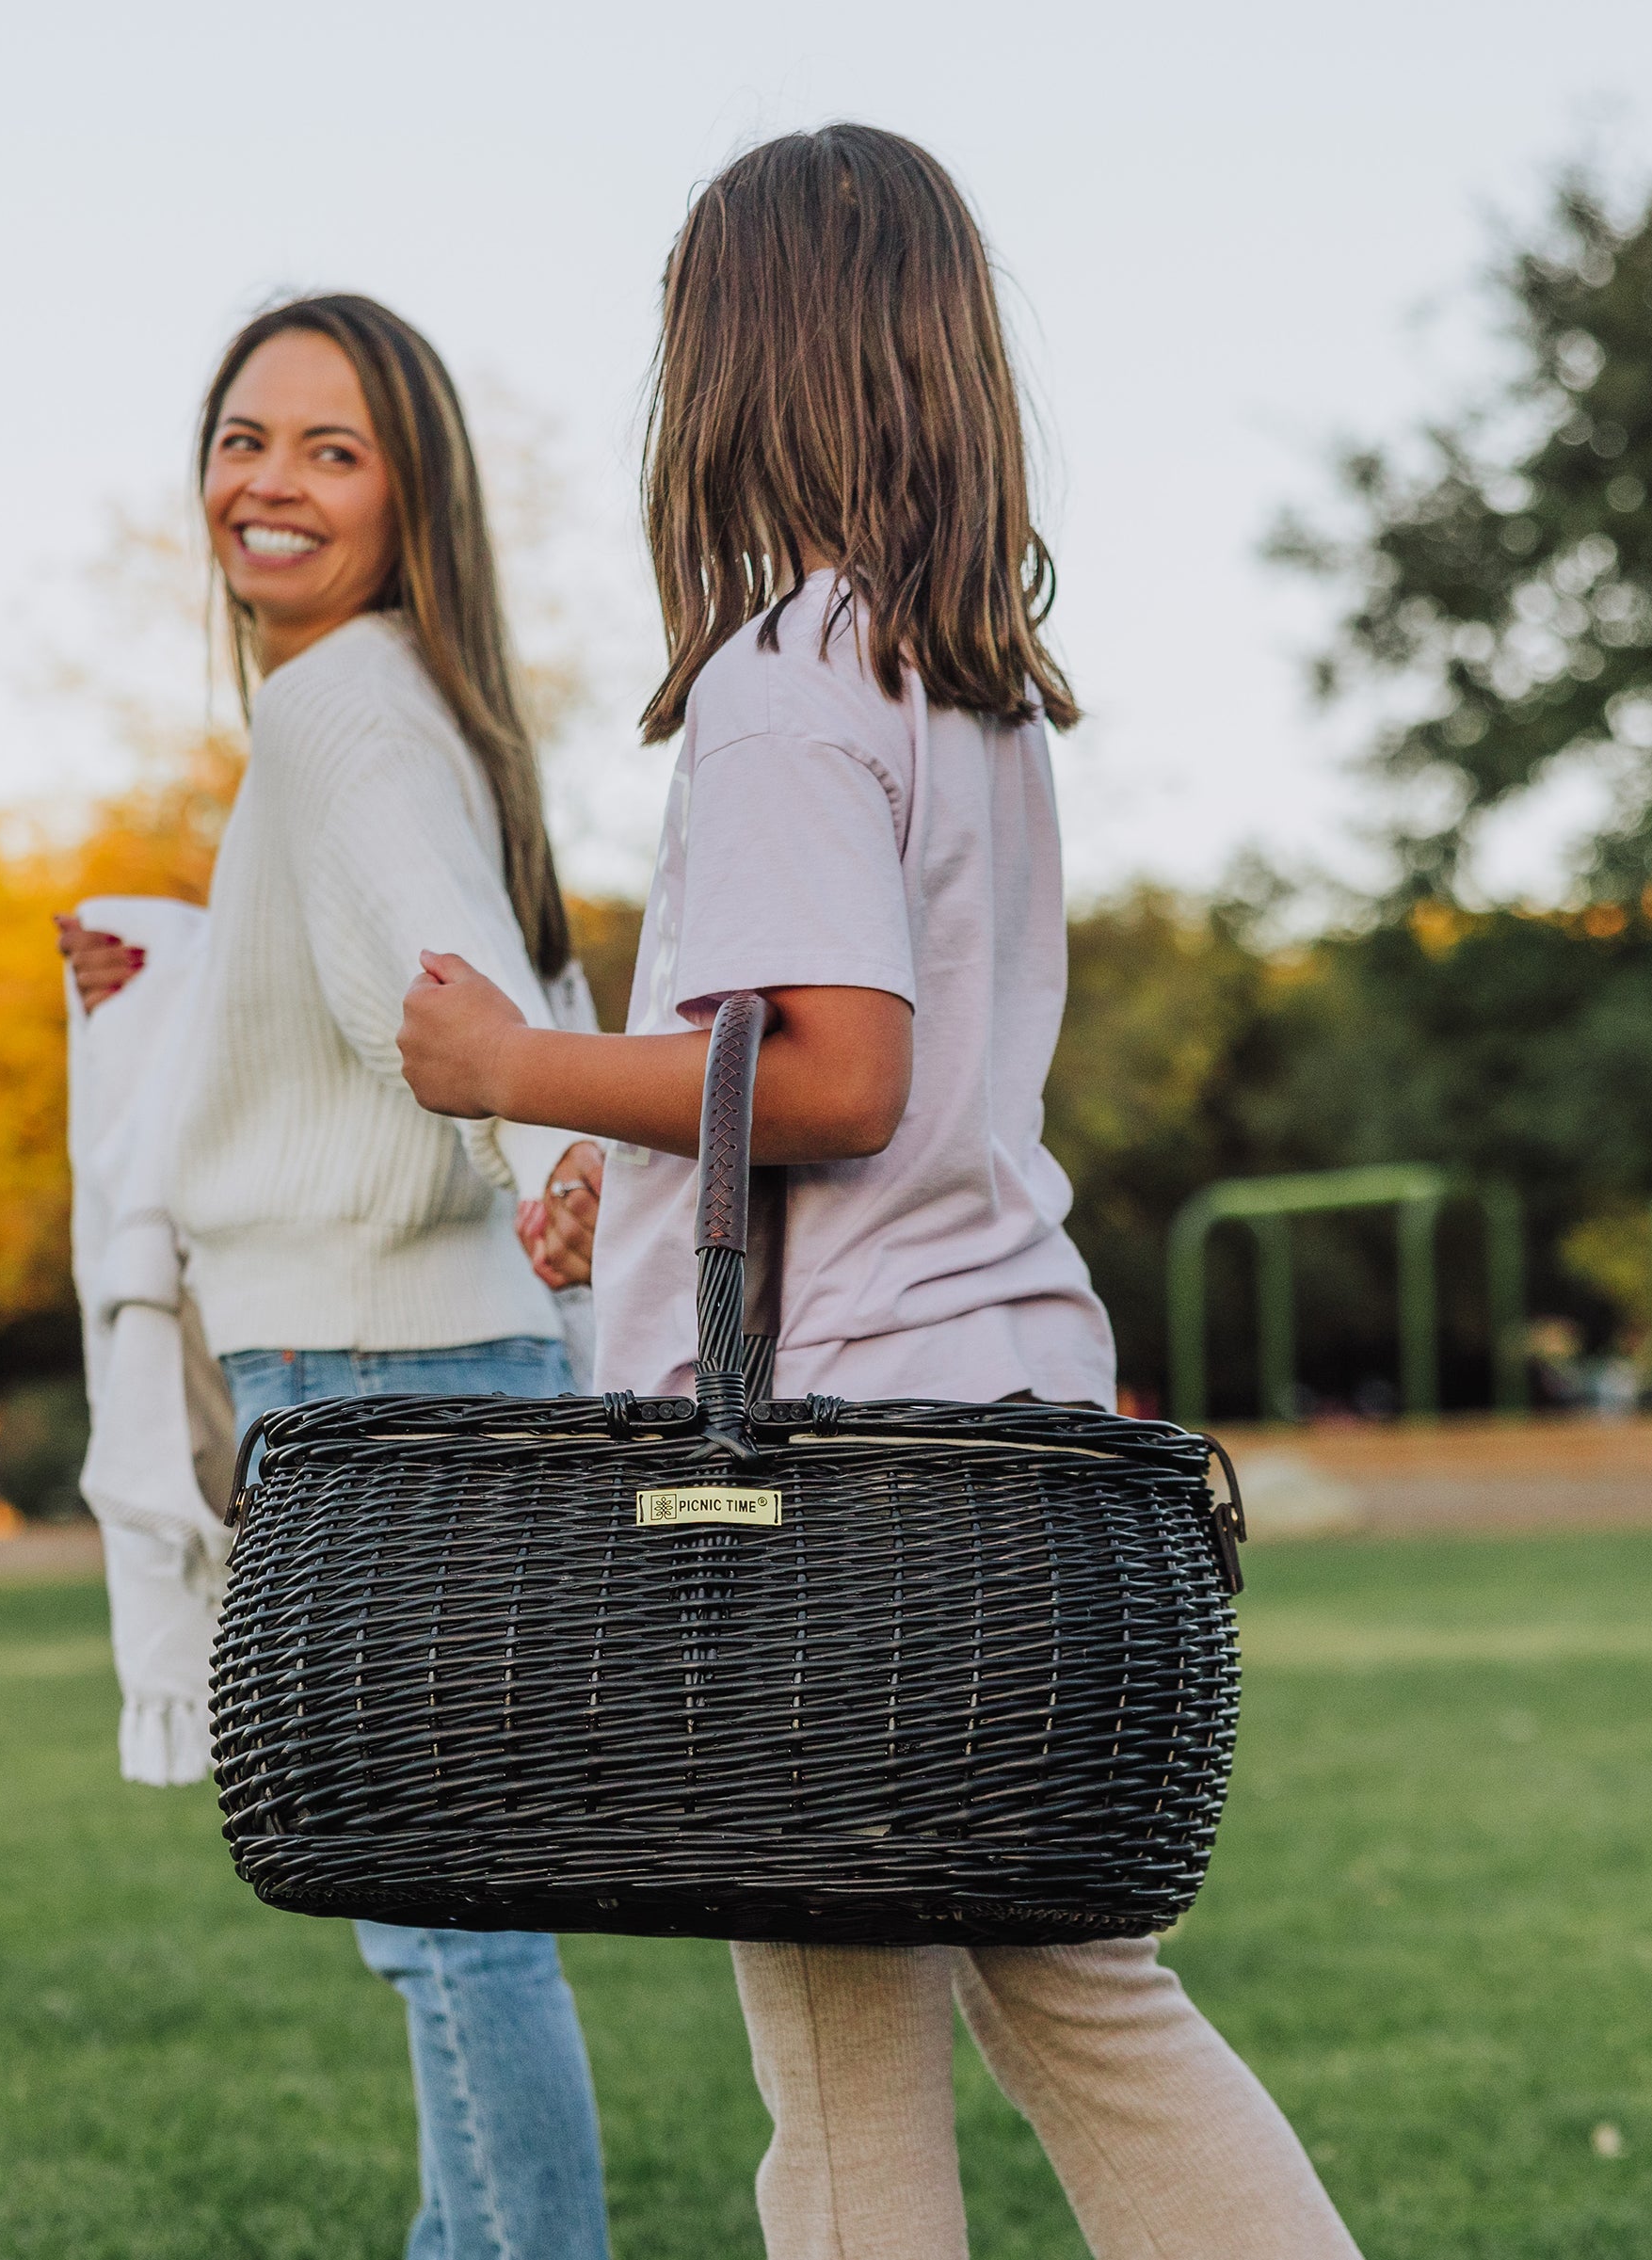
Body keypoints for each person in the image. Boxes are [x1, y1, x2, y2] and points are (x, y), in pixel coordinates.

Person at [396, 128, 1361, 2260]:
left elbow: (834, 1076)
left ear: (733, 366)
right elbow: (841, 1080)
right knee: (1084, 1997)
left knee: (841, 2062)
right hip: (992, 1406)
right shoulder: (960, 685)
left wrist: (515, 1066)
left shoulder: (781, 687)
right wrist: (619, 1162)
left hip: (833, 1456)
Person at [61, 293, 613, 2260]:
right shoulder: (397, 704)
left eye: (330, 449)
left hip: (380, 1378)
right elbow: (388, 944)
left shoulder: (340, 708)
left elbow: (432, 958)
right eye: (242, 438)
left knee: (447, 1929)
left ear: (412, 496)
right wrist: (166, 958)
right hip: (428, 1356)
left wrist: (542, 1147)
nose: (268, 483)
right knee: (455, 1921)